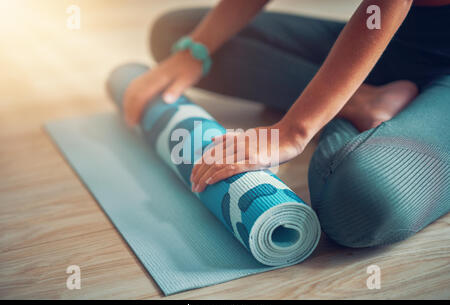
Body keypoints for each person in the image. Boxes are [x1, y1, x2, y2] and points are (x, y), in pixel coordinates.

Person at [122, 0, 450, 247]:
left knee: (361, 204)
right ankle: (358, 101)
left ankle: (347, 107)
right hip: (390, 38)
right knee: (177, 34)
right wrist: (194, 52)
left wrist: (294, 131)